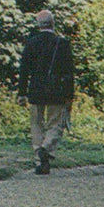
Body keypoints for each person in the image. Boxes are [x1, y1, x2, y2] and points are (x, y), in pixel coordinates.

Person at [17, 9, 74, 175]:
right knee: (56, 124)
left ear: (38, 25)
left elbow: (24, 70)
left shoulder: (31, 43)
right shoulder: (61, 43)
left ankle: (39, 159)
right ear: (53, 24)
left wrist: (22, 92)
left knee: (36, 124)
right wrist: (70, 95)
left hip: (35, 91)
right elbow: (69, 72)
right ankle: (46, 148)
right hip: (56, 91)